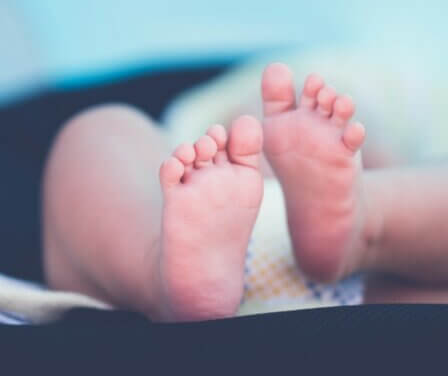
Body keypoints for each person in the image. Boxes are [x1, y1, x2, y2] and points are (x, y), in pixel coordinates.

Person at [42, 62, 448, 322]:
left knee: (100, 132)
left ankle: (364, 223)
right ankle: (163, 271)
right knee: (103, 135)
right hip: (183, 235)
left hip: (379, 280)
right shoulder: (190, 151)